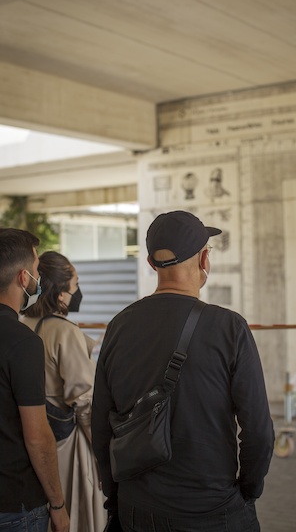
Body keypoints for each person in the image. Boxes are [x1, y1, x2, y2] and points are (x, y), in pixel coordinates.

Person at [92, 210, 275, 532]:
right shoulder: (229, 327)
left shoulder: (119, 326)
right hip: (211, 509)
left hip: (137, 508)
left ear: (151, 264)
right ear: (204, 259)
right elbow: (258, 431)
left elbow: (101, 423)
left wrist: (115, 494)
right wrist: (248, 490)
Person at [21, 251, 107, 532]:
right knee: (74, 514)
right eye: (75, 285)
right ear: (60, 294)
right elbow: (85, 403)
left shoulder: (22, 323)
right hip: (67, 445)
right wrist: (102, 453)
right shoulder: (65, 332)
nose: (78, 292)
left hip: (27, 442)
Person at [0, 228, 69, 532]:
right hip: (15, 504)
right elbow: (38, 436)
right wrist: (58, 504)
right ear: (23, 278)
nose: (38, 278)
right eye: (37, 270)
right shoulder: (22, 342)